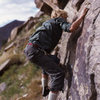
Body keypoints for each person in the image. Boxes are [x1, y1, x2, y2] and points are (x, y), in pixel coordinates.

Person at [24, 8, 89, 100]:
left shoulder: (46, 23)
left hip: (29, 49)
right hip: (36, 51)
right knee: (58, 74)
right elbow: (71, 28)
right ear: (61, 16)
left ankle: (45, 87)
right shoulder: (59, 20)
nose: (66, 19)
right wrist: (82, 15)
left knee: (52, 60)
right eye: (65, 17)